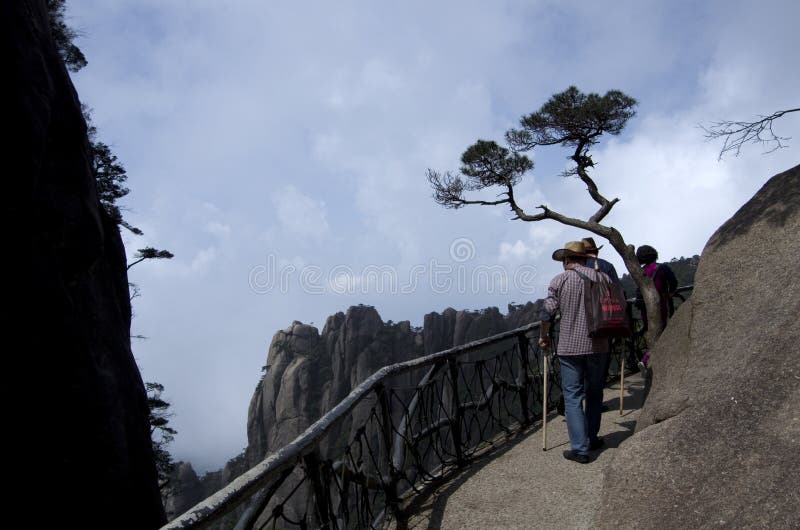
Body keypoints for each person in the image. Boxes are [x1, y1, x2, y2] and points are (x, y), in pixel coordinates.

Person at [539, 241, 610, 464]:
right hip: (599, 344)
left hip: (569, 347)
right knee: (595, 393)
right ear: (586, 258)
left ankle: (580, 449)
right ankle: (592, 437)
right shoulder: (602, 278)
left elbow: (547, 312)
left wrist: (544, 336)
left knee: (573, 397)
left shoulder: (559, 280)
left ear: (567, 260)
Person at [634, 245, 678, 373]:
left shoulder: (640, 272)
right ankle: (646, 359)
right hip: (660, 305)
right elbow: (674, 282)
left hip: (644, 308)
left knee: (652, 332)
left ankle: (650, 360)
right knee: (662, 332)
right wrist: (670, 294)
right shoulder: (662, 268)